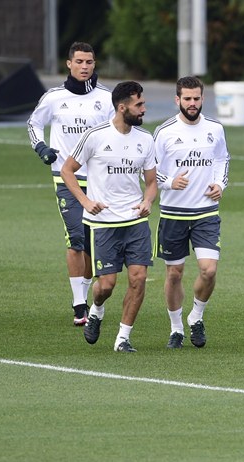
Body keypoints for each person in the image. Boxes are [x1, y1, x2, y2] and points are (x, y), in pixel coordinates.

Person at [60, 81, 161, 352]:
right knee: (106, 285)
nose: (143, 109)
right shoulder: (95, 136)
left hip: (136, 222)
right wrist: (84, 201)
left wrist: (147, 201)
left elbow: (151, 182)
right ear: (122, 107)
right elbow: (67, 170)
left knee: (138, 278)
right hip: (103, 224)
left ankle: (123, 338)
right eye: (139, 105)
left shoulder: (145, 139)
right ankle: (96, 310)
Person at [27, 42, 115, 327]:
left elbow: (120, 132)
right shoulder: (54, 97)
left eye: (89, 62)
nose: (84, 66)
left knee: (94, 242)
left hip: (101, 180)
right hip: (67, 178)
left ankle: (87, 293)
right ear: (69, 64)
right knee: (76, 237)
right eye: (79, 61)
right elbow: (33, 124)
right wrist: (41, 148)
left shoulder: (107, 98)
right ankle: (79, 305)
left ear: (94, 64)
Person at [153, 76, 230, 349]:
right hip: (173, 212)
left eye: (196, 98)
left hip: (206, 212)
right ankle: (176, 329)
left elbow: (222, 159)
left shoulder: (215, 129)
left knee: (208, 271)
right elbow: (149, 171)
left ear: (202, 99)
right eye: (187, 99)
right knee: (174, 273)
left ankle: (195, 317)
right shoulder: (164, 132)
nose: (192, 103)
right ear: (177, 100)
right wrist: (169, 182)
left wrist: (220, 183)